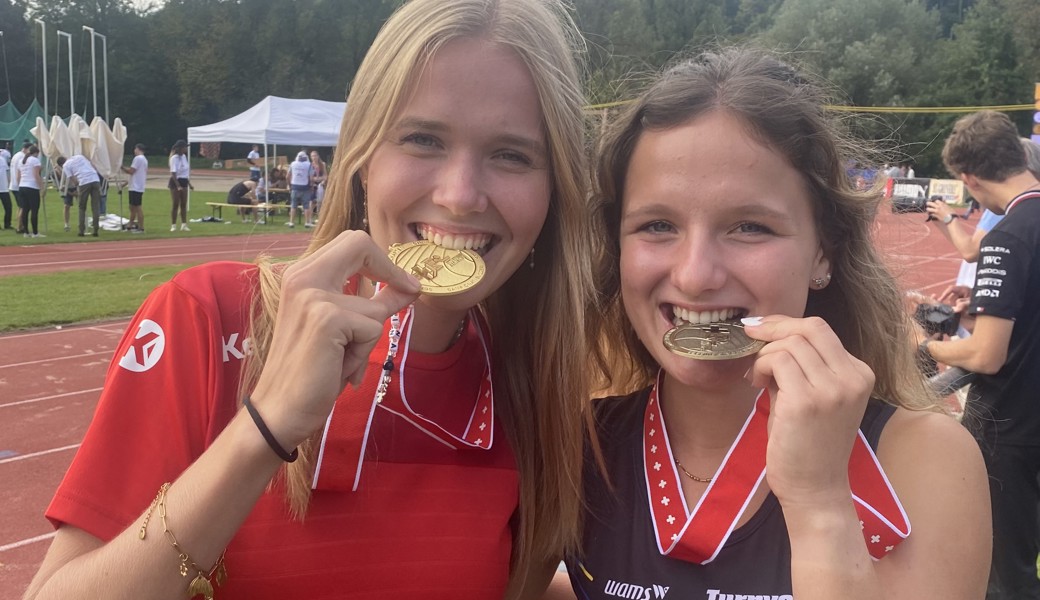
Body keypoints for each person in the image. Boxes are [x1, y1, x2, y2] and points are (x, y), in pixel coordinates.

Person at [25, 1, 592, 599]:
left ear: (554, 191)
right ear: (361, 159)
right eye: (423, 139)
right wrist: (265, 427)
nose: (459, 196)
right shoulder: (209, 317)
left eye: (511, 154)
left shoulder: (538, 397)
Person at [562, 48, 990, 599]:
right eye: (657, 224)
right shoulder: (579, 448)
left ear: (823, 253)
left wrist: (818, 502)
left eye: (749, 227)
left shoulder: (924, 460)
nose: (694, 276)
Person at [922, 111, 1040, 599]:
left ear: (968, 179)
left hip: (1008, 426)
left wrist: (927, 345)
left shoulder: (1006, 238)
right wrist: (981, 312)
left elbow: (988, 356)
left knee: (1002, 572)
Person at [58, 155, 103, 238]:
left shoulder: (66, 166)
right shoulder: (80, 156)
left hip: (84, 182)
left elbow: (73, 180)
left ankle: (81, 230)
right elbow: (92, 165)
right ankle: (95, 230)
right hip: (95, 179)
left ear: (60, 165)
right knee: (95, 206)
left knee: (82, 207)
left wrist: (77, 187)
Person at [17, 144, 44, 238]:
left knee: (25, 209)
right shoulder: (35, 160)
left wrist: (19, 185)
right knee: (34, 210)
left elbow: (18, 176)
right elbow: (36, 175)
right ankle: (35, 232)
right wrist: (42, 187)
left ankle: (26, 232)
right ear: (36, 153)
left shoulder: (21, 161)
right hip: (32, 187)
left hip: (22, 186)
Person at [121, 143, 149, 232]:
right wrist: (126, 183)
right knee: (132, 206)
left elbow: (131, 171)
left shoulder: (138, 159)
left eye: (135, 149)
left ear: (138, 149)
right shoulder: (144, 160)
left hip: (136, 187)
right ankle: (130, 224)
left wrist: (121, 167)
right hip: (137, 185)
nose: (134, 151)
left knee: (137, 207)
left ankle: (141, 227)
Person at [168, 139, 193, 232]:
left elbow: (185, 172)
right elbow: (173, 173)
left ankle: (184, 224)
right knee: (175, 204)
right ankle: (173, 225)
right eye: (185, 147)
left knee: (183, 204)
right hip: (175, 181)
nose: (186, 149)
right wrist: (178, 185)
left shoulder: (184, 157)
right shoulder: (174, 158)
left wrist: (189, 184)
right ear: (180, 148)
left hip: (184, 181)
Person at [286, 151, 312, 228]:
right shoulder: (309, 165)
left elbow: (287, 176)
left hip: (294, 186)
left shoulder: (292, 164)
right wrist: (311, 186)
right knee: (306, 206)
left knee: (293, 206)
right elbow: (310, 177)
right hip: (305, 187)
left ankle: (291, 222)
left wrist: (289, 185)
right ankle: (307, 222)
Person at [10, 141, 28, 234]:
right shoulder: (21, 157)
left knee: (20, 207)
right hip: (18, 185)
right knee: (23, 207)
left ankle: (20, 225)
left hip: (13, 185)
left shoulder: (16, 155)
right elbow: (19, 171)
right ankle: (19, 227)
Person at [308, 149, 327, 226]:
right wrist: (315, 180)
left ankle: (319, 218)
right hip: (313, 185)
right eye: (312, 156)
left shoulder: (322, 164)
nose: (314, 157)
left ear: (318, 156)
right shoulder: (310, 165)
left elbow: (325, 175)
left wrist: (323, 181)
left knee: (320, 202)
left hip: (321, 185)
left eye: (315, 155)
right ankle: (310, 219)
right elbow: (310, 177)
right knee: (312, 202)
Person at [0, 149, 10, 230]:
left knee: (8, 207)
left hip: (4, 188)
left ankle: (7, 224)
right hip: (2, 187)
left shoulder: (2, 160)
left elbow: (6, 172)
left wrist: (8, 182)